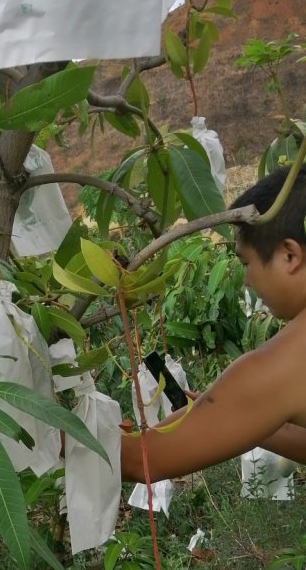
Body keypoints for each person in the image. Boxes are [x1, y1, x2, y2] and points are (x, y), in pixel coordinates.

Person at [121, 165, 306, 482]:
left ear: (289, 255)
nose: (246, 281)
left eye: (246, 262)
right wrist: (242, 420)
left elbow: (141, 461)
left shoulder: (288, 362)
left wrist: (53, 427)